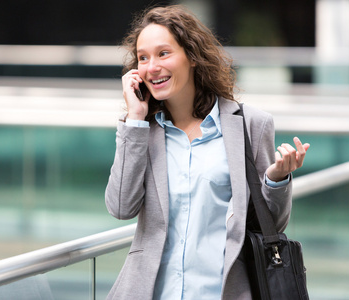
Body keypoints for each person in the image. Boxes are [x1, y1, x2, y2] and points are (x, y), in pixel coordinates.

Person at [105, 5, 309, 300]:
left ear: (192, 56)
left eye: (164, 53)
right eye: (143, 57)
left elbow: (270, 225)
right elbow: (121, 207)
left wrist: (276, 179)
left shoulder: (250, 125)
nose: (151, 67)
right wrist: (135, 119)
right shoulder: (140, 132)